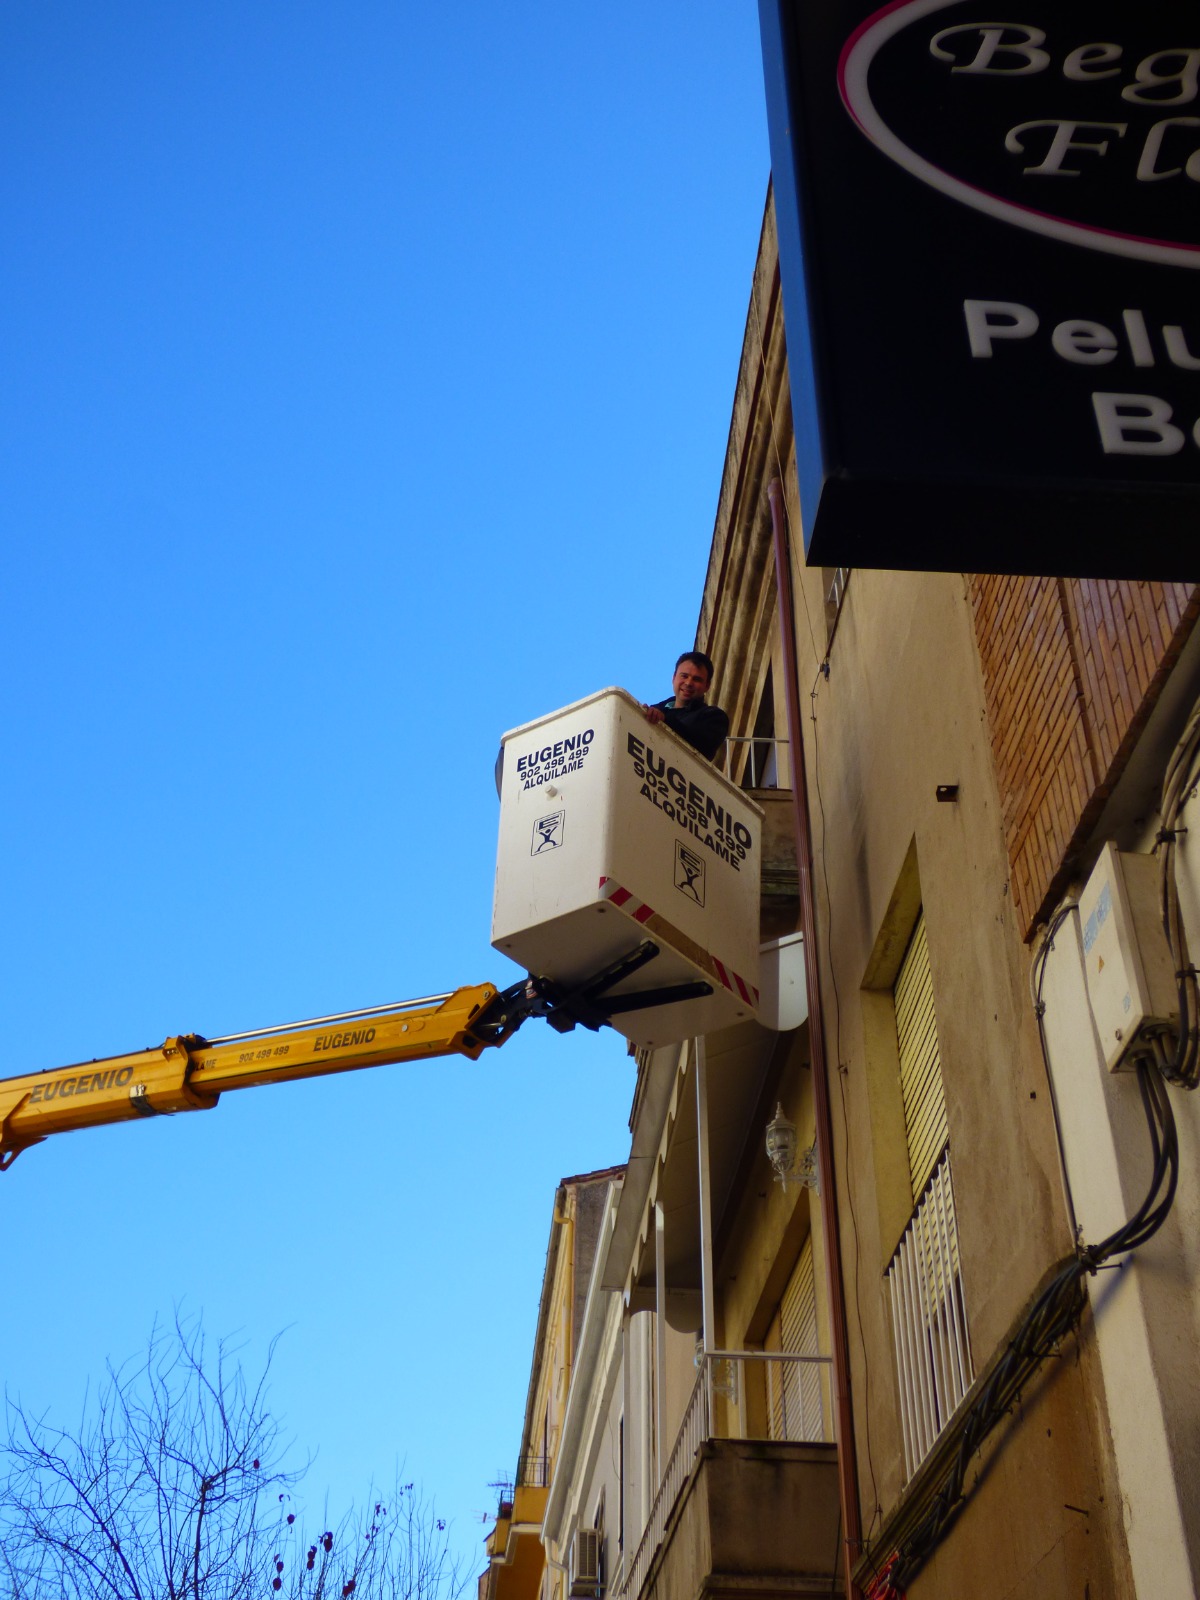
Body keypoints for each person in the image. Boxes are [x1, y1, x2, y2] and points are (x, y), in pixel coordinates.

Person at [642, 651, 729, 762]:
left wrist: (665, 720)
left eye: (697, 679)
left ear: (707, 686)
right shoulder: (654, 709)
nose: (688, 683)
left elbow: (704, 748)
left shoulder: (714, 717)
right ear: (673, 678)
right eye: (684, 676)